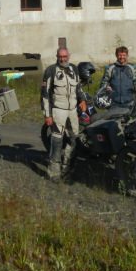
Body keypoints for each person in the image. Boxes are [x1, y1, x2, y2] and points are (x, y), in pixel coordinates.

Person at [41, 47, 86, 182]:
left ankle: (67, 168)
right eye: (60, 56)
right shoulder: (51, 70)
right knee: (57, 141)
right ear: (57, 56)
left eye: (65, 56)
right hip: (58, 111)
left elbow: (78, 88)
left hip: (72, 111)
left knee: (74, 140)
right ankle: (53, 172)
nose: (62, 59)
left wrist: (82, 100)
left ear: (69, 56)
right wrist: (47, 115)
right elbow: (44, 94)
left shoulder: (74, 69)